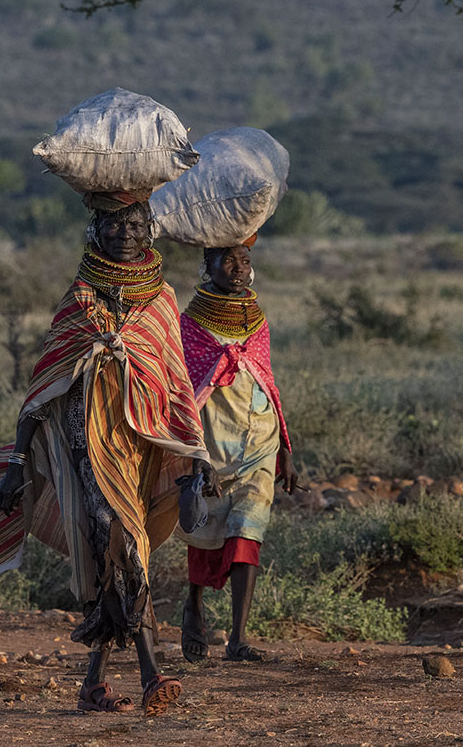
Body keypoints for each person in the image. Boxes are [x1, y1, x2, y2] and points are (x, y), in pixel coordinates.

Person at [0, 196, 215, 716]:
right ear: (95, 229)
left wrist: (196, 458)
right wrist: (17, 464)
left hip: (139, 449)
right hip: (83, 446)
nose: (123, 233)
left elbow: (176, 382)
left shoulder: (161, 301)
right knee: (125, 543)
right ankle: (153, 675)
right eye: (112, 223)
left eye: (133, 224)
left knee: (114, 555)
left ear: (149, 233)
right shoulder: (80, 297)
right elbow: (41, 389)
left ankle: (93, 685)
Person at [177, 239, 297, 663]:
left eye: (244, 259)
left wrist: (286, 446)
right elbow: (184, 392)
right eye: (226, 259)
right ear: (206, 266)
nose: (237, 267)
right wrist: (195, 456)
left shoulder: (258, 319)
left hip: (259, 444)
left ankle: (238, 640)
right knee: (204, 536)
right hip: (211, 444)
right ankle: (192, 605)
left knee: (249, 531)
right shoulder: (190, 324)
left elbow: (267, 379)